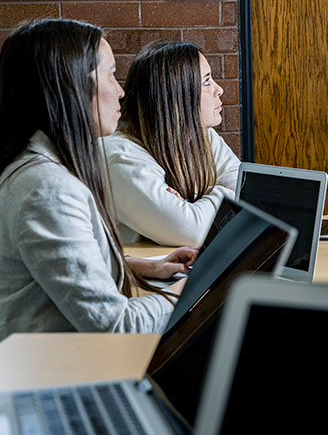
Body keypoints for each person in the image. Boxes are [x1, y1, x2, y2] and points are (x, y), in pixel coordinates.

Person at [0, 19, 196, 339]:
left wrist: (138, 265)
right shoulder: (47, 190)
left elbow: (57, 269)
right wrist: (190, 288)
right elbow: (118, 325)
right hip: (50, 374)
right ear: (73, 85)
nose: (120, 92)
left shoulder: (36, 170)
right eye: (110, 73)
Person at [104, 41, 240, 247]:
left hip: (178, 272)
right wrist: (221, 193)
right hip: (138, 279)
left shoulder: (204, 137)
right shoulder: (120, 156)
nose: (219, 89)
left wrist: (190, 205)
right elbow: (191, 231)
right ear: (175, 95)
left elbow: (247, 191)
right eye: (206, 82)